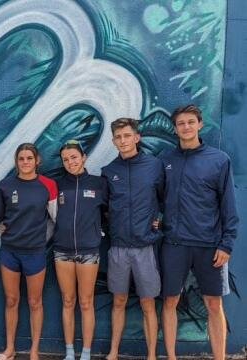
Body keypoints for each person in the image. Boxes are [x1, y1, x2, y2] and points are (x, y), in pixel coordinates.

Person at [160, 105, 238, 360]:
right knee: (170, 301)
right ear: (175, 128)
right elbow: (155, 199)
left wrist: (226, 244)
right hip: (174, 244)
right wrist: (156, 220)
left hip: (209, 245)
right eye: (181, 123)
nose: (186, 127)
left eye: (191, 122)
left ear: (200, 124)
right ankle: (171, 356)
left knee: (214, 305)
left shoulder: (219, 160)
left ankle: (220, 357)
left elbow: (228, 205)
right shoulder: (166, 161)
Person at [0, 143, 57, 360]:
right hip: (10, 253)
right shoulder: (6, 186)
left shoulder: (48, 185)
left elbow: (57, 218)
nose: (25, 162)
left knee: (35, 302)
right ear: (17, 162)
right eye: (21, 158)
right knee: (11, 301)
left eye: (29, 158)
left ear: (37, 161)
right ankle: (10, 349)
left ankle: (34, 351)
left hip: (35, 253)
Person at [100, 118, 164, 360]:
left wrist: (161, 221)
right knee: (119, 300)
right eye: (118, 137)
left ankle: (151, 355)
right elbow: (104, 208)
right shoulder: (109, 171)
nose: (123, 141)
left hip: (145, 246)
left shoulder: (155, 166)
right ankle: (113, 352)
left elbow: (165, 199)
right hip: (117, 248)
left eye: (127, 135)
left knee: (148, 303)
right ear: (114, 141)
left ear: (137, 137)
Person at [52, 140, 108, 360]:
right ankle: (69, 352)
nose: (70, 162)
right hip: (62, 251)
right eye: (65, 159)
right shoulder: (58, 185)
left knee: (86, 302)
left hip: (89, 251)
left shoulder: (99, 184)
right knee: (68, 300)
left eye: (74, 157)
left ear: (83, 157)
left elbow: (111, 212)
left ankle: (85, 352)